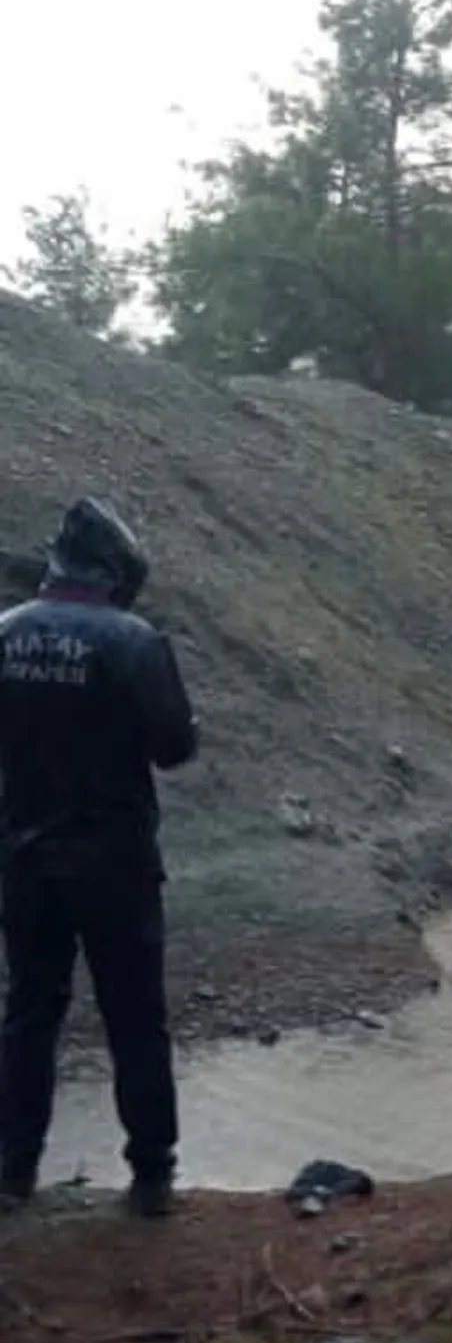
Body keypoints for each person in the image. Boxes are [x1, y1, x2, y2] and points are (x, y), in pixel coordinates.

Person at [0, 497, 198, 1218]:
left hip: (24, 858)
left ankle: (13, 1171)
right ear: (114, 573)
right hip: (115, 863)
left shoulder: (6, 632)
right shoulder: (134, 641)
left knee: (29, 1012)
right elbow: (174, 748)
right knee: (135, 1019)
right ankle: (151, 1177)